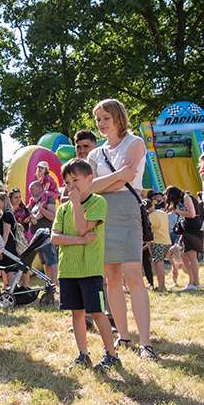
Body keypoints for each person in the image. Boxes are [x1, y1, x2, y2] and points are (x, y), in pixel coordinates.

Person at [86, 99, 155, 359]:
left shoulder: (134, 142)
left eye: (106, 118)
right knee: (112, 278)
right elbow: (89, 187)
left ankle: (146, 342)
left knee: (134, 276)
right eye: (98, 119)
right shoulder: (94, 154)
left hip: (127, 210)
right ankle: (123, 336)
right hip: (102, 212)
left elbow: (118, 184)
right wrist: (116, 176)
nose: (101, 123)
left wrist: (104, 182)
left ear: (118, 117)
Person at [50, 158, 119, 372]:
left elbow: (82, 228)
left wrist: (76, 204)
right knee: (77, 313)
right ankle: (83, 355)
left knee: (97, 312)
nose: (71, 186)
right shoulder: (63, 209)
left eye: (75, 180)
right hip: (68, 270)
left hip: (90, 269)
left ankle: (111, 355)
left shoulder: (98, 202)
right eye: (67, 182)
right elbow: (54, 238)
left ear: (89, 179)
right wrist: (79, 241)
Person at [164, 186, 203, 290]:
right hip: (187, 227)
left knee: (192, 256)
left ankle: (196, 283)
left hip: (192, 227)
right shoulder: (183, 199)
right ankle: (191, 281)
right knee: (183, 255)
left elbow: (192, 214)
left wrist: (177, 210)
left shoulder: (186, 197)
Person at [27, 180, 59, 284]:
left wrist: (41, 209)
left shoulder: (48, 199)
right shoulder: (36, 202)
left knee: (51, 260)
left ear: (40, 188)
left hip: (46, 235)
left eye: (32, 189)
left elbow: (53, 216)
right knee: (45, 261)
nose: (30, 191)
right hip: (39, 236)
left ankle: (53, 284)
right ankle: (48, 283)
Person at [0, 189, 19, 286]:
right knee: (9, 269)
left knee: (10, 269)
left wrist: (1, 249)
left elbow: (6, 233)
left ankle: (11, 288)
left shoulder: (7, 214)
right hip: (7, 244)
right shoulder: (6, 214)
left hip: (8, 245)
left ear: (4, 201)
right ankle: (11, 287)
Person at [146, 199, 172, 292]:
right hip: (166, 240)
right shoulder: (163, 213)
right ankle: (161, 286)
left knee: (158, 264)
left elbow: (149, 235)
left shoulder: (149, 218)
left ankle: (161, 287)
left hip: (157, 241)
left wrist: (150, 249)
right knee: (156, 263)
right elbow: (168, 227)